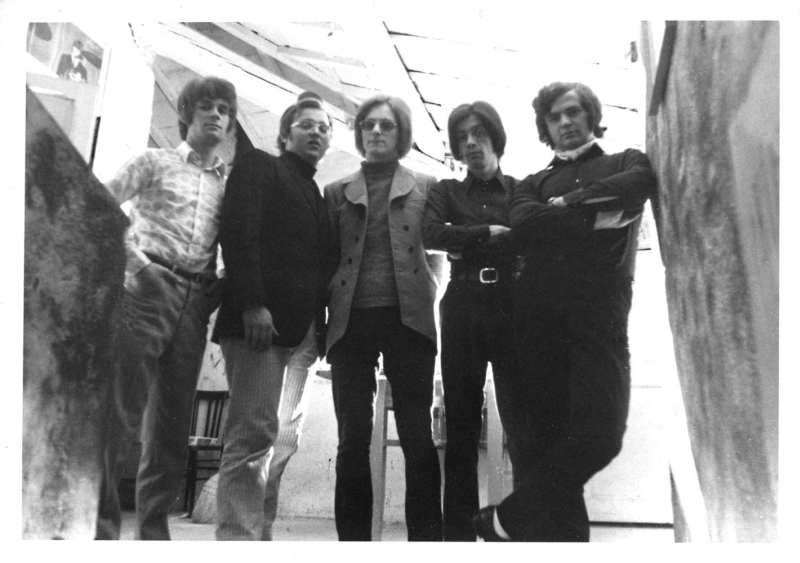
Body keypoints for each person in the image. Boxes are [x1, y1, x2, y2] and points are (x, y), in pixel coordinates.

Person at [472, 82, 657, 542]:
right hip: (537, 317)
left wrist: (565, 205)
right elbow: (523, 220)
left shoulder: (626, 160)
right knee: (542, 440)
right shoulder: (532, 183)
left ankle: (509, 519)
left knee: (603, 432)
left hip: (601, 314)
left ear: (591, 115)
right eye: (554, 117)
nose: (565, 122)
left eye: (573, 112)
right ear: (545, 127)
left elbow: (638, 185)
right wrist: (593, 217)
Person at [96, 76, 237, 540]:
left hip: (195, 304)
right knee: (120, 414)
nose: (215, 114)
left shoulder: (227, 186)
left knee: (171, 427)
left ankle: (153, 535)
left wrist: (217, 283)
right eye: (206, 106)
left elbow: (233, 243)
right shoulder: (153, 161)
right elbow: (97, 205)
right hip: (145, 291)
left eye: (224, 109)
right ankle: (99, 533)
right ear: (186, 113)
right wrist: (137, 267)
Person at [211, 91, 334, 541]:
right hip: (259, 324)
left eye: (324, 128)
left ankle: (259, 536)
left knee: (283, 440)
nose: (317, 132)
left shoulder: (317, 194)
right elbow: (237, 232)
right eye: (307, 125)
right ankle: (237, 542)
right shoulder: (260, 165)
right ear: (285, 135)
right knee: (253, 435)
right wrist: (252, 303)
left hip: (304, 336)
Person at [324, 94, 444, 541]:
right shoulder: (336, 191)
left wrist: (426, 289)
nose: (376, 131)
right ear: (359, 132)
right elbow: (327, 257)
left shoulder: (427, 186)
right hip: (350, 323)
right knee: (352, 438)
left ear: (401, 133)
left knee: (416, 435)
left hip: (409, 322)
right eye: (368, 124)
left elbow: (437, 254)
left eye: (386, 125)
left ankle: (425, 544)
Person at [422, 101, 525, 541]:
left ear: (496, 138)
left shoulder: (521, 190)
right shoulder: (445, 191)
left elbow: (528, 237)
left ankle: (526, 528)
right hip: (461, 305)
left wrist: (463, 240)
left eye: (479, 133)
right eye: (462, 137)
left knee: (522, 422)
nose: (470, 143)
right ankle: (459, 540)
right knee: (461, 427)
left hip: (512, 306)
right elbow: (430, 234)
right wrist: (486, 234)